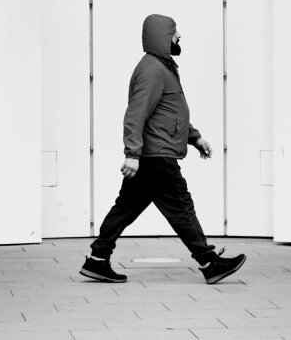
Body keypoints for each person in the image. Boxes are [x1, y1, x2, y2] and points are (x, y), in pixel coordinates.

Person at [80, 14, 246, 285]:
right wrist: (131, 154)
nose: (179, 36)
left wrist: (194, 137)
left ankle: (98, 260)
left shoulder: (163, 66)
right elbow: (135, 113)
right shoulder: (152, 69)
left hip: (152, 154)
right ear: (162, 35)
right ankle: (208, 262)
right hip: (156, 156)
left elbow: (169, 112)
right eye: (175, 31)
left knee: (125, 208)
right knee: (182, 207)